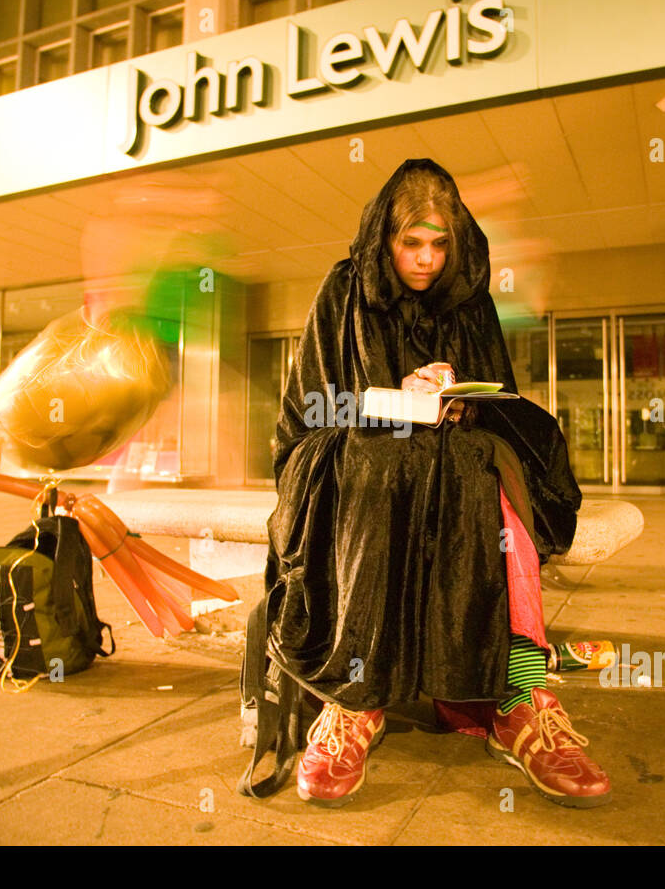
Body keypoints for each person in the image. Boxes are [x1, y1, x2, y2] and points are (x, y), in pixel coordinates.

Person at [238, 158, 610, 809]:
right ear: (385, 238)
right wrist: (386, 402)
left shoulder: (471, 300)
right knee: (376, 470)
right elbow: (307, 409)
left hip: (454, 456)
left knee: (490, 470)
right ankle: (354, 698)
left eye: (440, 245)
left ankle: (522, 696)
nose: (427, 260)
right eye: (412, 243)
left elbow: (502, 396)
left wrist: (464, 403)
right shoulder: (344, 290)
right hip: (351, 452)